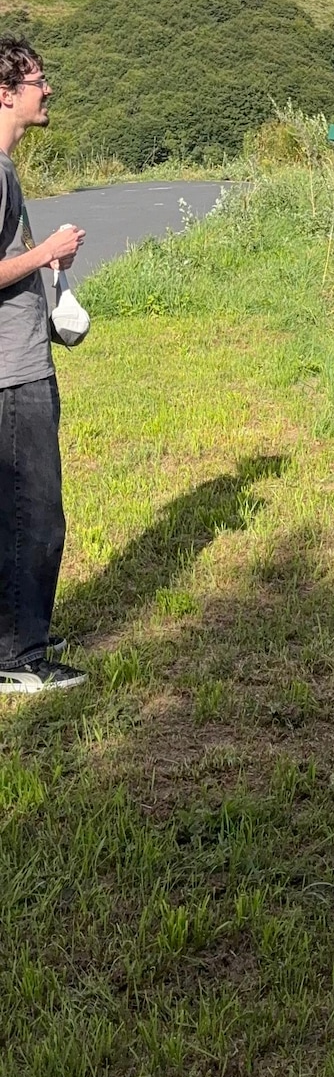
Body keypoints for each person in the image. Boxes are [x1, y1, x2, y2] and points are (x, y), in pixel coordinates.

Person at [0, 40, 80, 696]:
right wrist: (46, 249)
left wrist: (43, 261)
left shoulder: (6, 170)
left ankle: (23, 631)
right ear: (5, 93)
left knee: (19, 513)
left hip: (20, 366)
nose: (46, 90)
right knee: (36, 515)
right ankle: (21, 656)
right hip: (11, 376)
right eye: (36, 81)